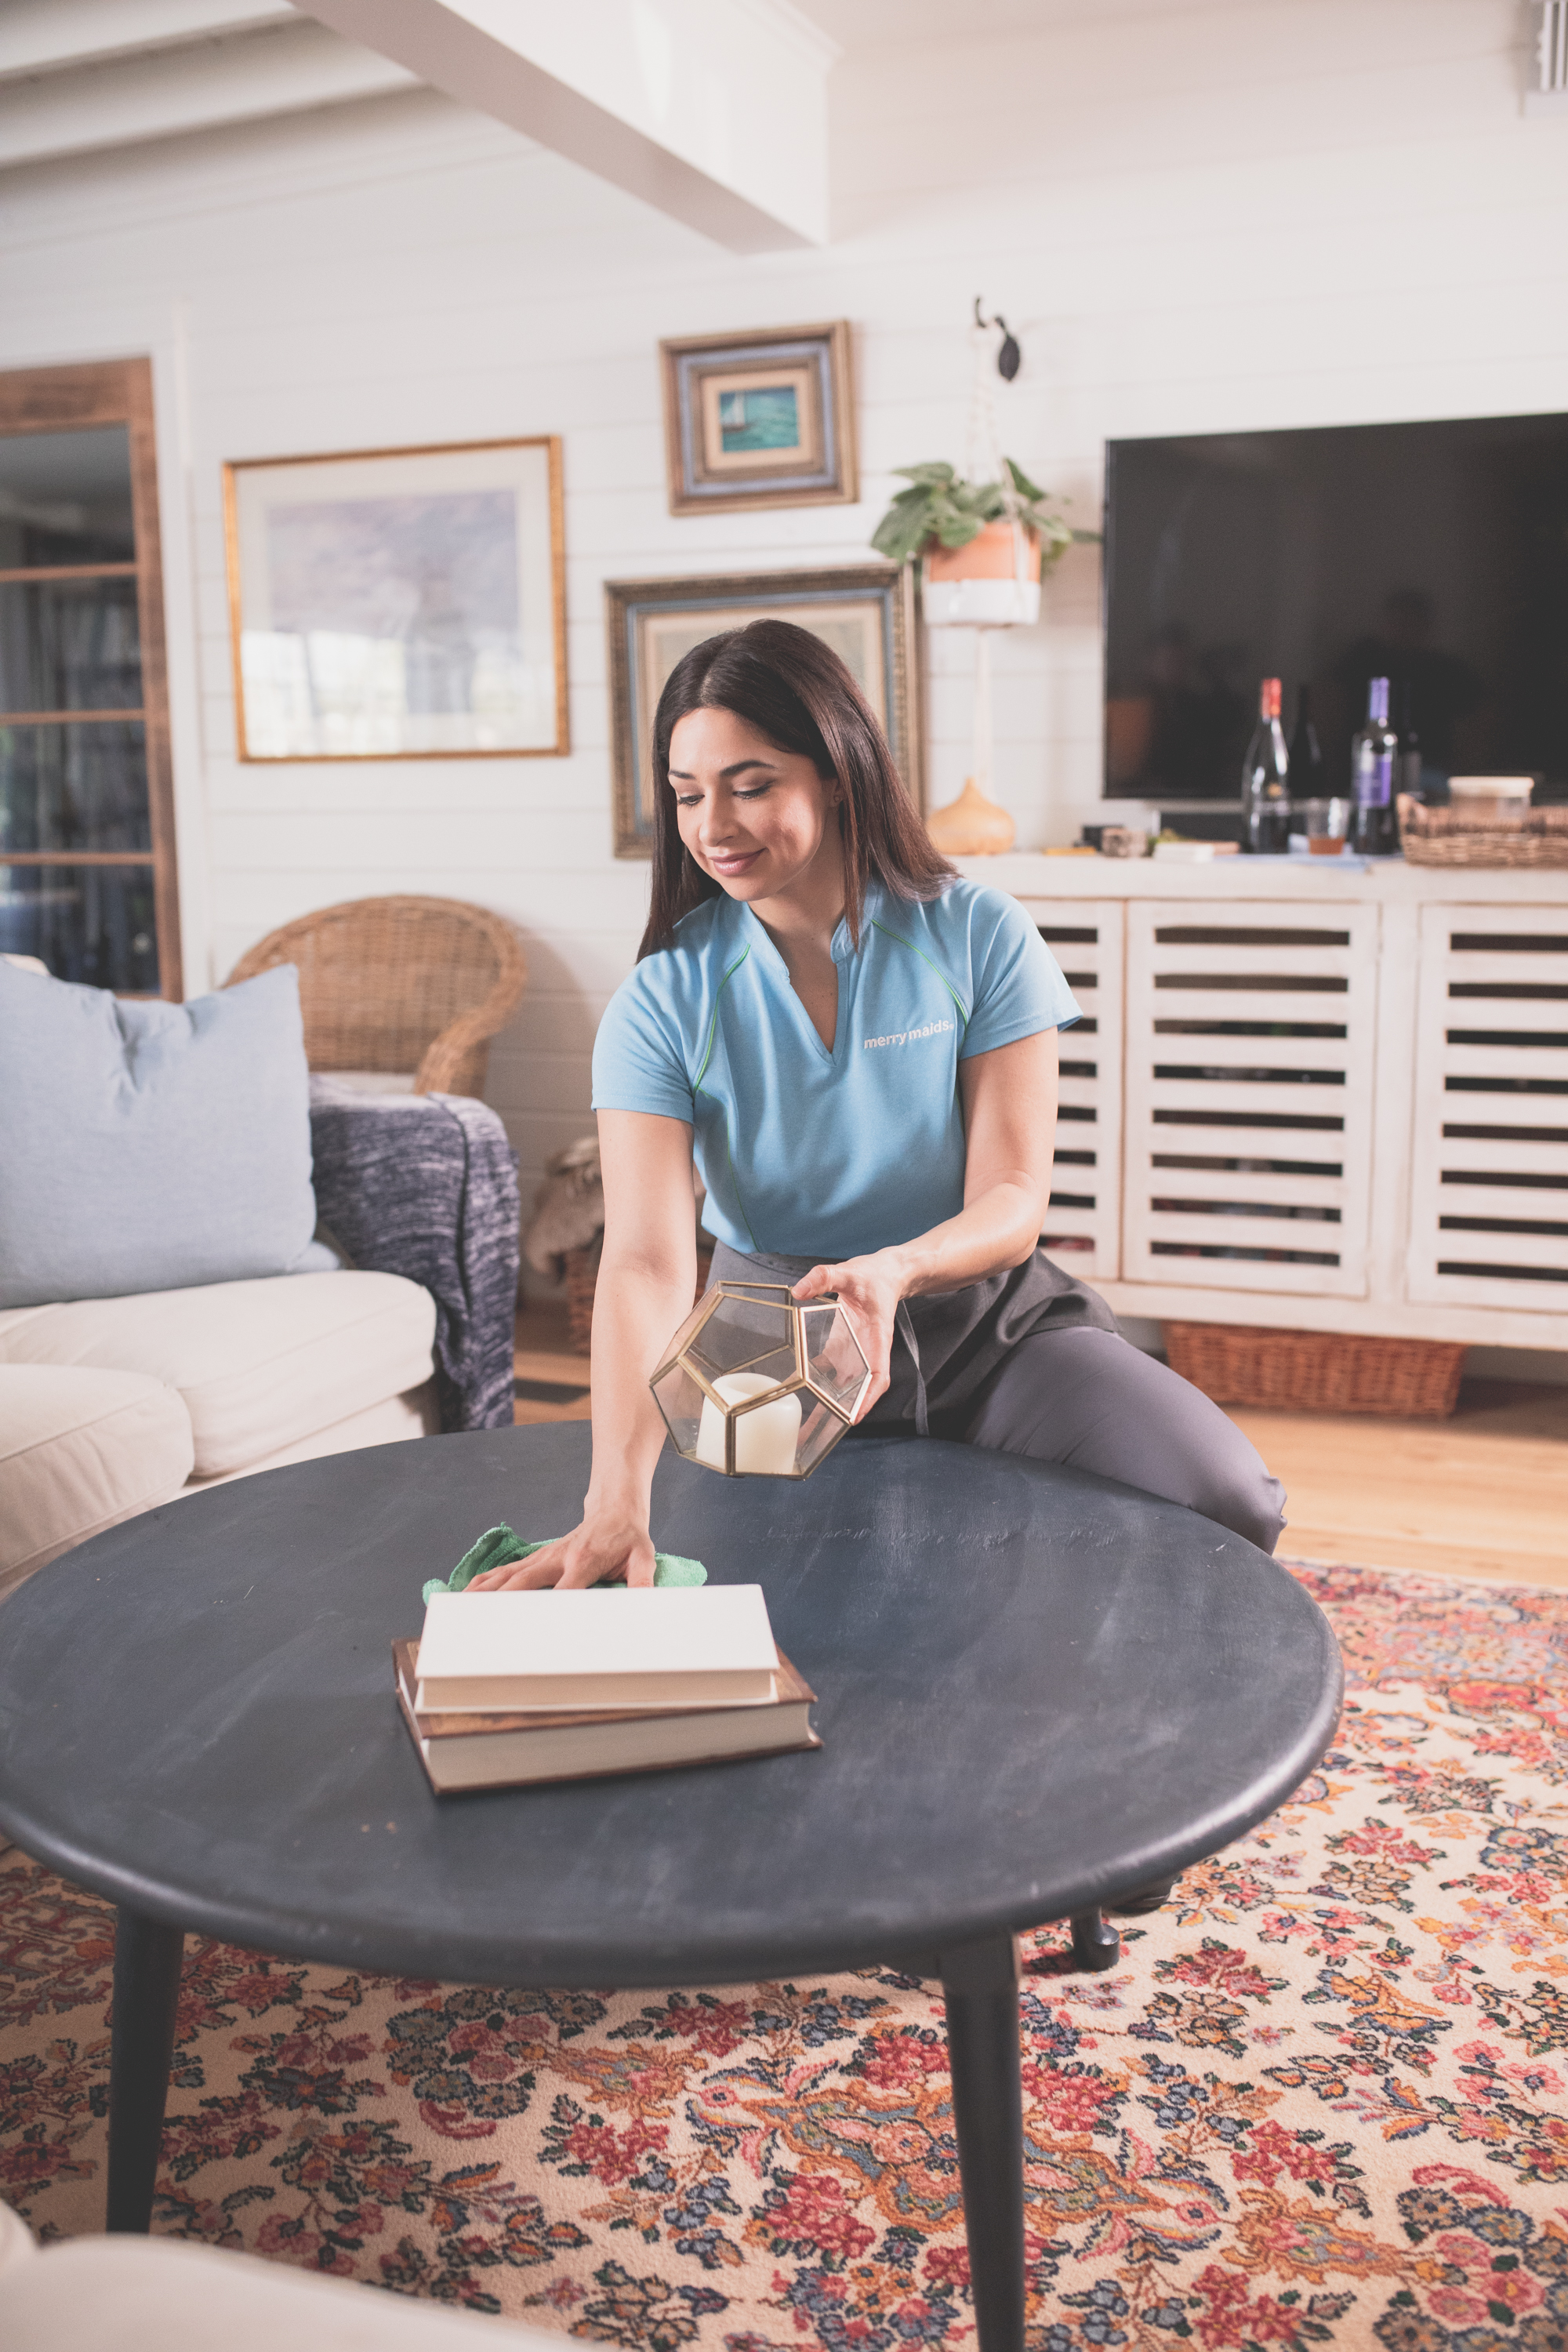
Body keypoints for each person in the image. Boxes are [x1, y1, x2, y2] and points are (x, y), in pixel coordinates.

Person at [470, 619, 1285, 1602]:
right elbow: (645, 1261)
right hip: (767, 1345)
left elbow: (1014, 1195)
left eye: (751, 783)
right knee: (780, 1601)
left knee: (1228, 1497)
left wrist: (896, 1270)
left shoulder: (976, 933)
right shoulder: (662, 997)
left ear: (839, 773)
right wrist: (614, 1498)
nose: (712, 826)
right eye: (687, 795)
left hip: (986, 1328)